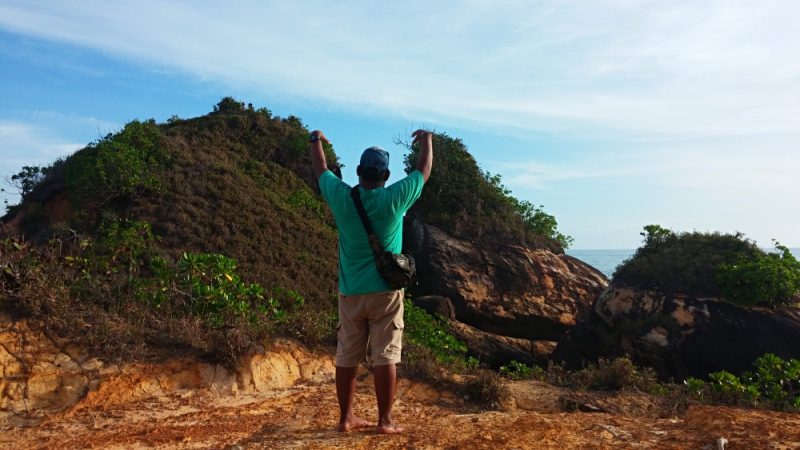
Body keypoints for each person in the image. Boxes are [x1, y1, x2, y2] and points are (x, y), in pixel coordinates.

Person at [308, 129, 433, 434]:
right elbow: (422, 171)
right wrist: (427, 141)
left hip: (351, 292)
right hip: (386, 293)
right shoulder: (394, 198)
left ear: (359, 171)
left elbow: (321, 170)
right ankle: (385, 421)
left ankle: (346, 418)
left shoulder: (341, 197)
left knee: (347, 356)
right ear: (387, 175)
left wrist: (315, 141)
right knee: (385, 356)